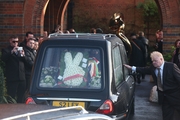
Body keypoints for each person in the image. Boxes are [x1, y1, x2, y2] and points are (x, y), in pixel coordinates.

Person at [124, 51, 180, 120]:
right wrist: (131, 68)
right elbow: (144, 70)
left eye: (155, 61)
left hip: (176, 96)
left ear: (161, 59)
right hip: (164, 97)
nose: (153, 63)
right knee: (166, 116)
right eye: (152, 61)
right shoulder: (153, 68)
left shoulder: (171, 66)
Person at [1, 35, 26, 103]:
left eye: (17, 42)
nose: (15, 43)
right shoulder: (6, 50)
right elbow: (3, 58)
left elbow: (25, 62)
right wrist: (12, 52)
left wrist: (23, 55)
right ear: (10, 41)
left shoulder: (20, 50)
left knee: (21, 96)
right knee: (11, 96)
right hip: (12, 77)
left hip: (21, 77)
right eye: (14, 42)